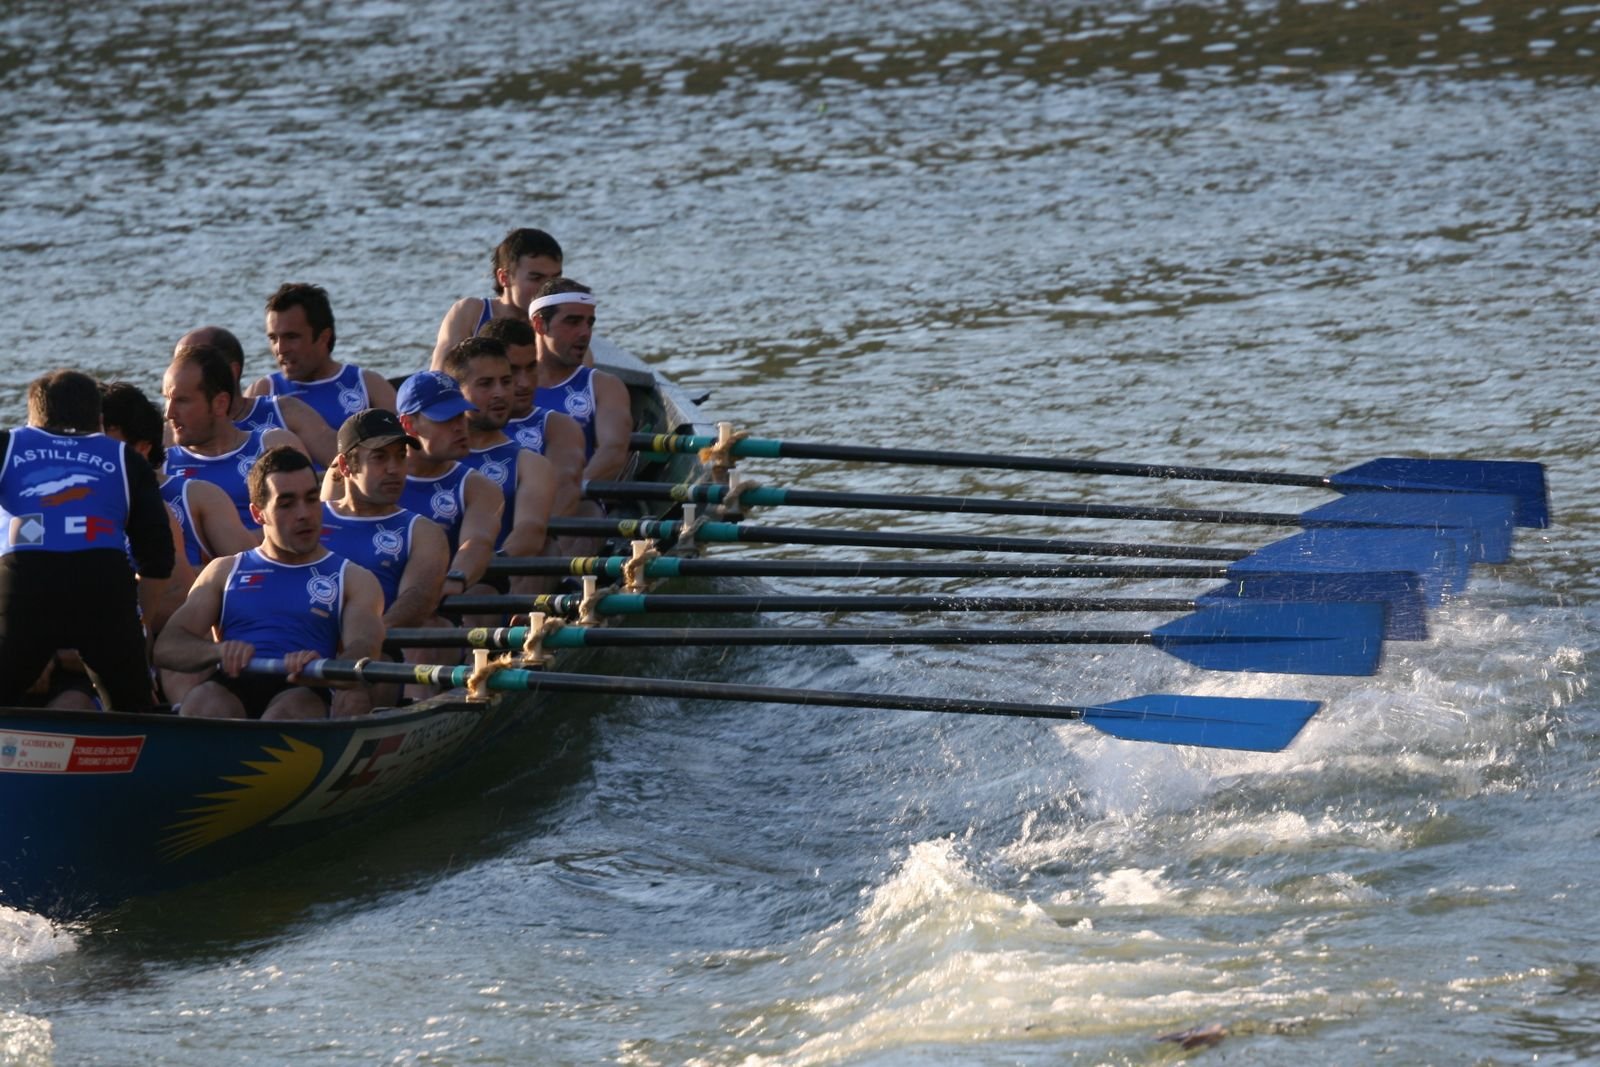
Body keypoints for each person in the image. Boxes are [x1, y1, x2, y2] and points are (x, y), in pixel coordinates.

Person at [154, 447, 384, 720]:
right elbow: (167, 647)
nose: (304, 514)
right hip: (234, 684)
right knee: (203, 702)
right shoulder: (224, 571)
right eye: (286, 504)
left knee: (290, 711)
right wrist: (217, 651)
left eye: (311, 499)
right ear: (258, 513)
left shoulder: (355, 578)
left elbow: (364, 651)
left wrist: (321, 668)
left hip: (306, 687)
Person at [0, 370, 173, 710]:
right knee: (130, 706)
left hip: (25, 580)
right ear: (98, 419)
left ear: (32, 419)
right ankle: (138, 731)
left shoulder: (9, 443)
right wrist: (136, 636)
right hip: (102, 580)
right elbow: (157, 559)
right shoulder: (125, 458)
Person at [102, 380, 256, 568]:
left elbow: (252, 575)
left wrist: (201, 575)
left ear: (142, 449)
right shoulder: (67, 503)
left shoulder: (198, 498)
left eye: (103, 450)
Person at [322, 409, 448, 628]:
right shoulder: (311, 517)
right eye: (379, 457)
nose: (394, 469)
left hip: (378, 652)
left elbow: (418, 599)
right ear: (345, 466)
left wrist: (367, 638)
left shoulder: (422, 531)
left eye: (400, 456)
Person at [441, 337, 565, 561]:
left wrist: (470, 571)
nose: (500, 392)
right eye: (486, 384)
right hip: (424, 584)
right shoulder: (423, 460)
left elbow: (530, 533)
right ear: (455, 391)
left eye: (506, 382)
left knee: (548, 547)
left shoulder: (531, 465)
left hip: (492, 584)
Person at [163, 345, 306, 529]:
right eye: (167, 398)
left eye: (181, 400)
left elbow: (305, 523)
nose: (169, 413)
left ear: (220, 404)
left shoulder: (273, 445)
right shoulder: (161, 466)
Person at [392, 371, 504, 603]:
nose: (459, 428)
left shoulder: (479, 487)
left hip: (446, 602)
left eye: (460, 416)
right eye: (444, 419)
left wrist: (455, 579)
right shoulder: (363, 478)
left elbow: (477, 542)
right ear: (409, 425)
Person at [174, 326, 339, 467]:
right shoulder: (170, 435)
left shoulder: (286, 412)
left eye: (191, 362)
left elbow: (348, 465)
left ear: (232, 371)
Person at [248, 283, 399, 431]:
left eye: (291, 337)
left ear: (323, 338)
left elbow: (407, 450)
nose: (280, 349)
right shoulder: (261, 393)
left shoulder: (369, 385)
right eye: (273, 338)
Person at [530, 279, 634, 484]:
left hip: (577, 502)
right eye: (573, 322)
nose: (585, 333)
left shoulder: (604, 386)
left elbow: (613, 451)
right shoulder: (507, 384)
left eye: (589, 323)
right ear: (540, 325)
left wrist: (565, 492)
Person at [478, 317, 587, 500]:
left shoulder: (558, 426)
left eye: (531, 368)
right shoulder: (455, 428)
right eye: (513, 371)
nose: (525, 383)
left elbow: (564, 491)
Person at [429, 228, 563, 371]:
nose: (549, 288)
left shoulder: (563, 319)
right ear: (504, 278)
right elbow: (439, 378)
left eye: (555, 278)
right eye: (536, 278)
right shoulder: (471, 313)